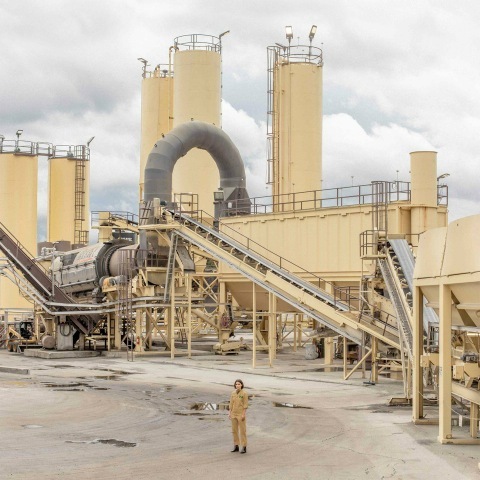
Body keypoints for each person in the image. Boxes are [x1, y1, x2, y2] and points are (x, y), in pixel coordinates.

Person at [229, 379, 248, 454]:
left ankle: (244, 446)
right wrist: (229, 413)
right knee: (234, 430)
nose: (237, 385)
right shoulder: (233, 393)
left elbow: (245, 404)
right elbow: (231, 403)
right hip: (233, 413)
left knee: (242, 431)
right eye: (236, 384)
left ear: (241, 385)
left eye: (239, 384)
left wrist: (243, 414)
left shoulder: (244, 393)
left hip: (240, 413)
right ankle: (236, 445)